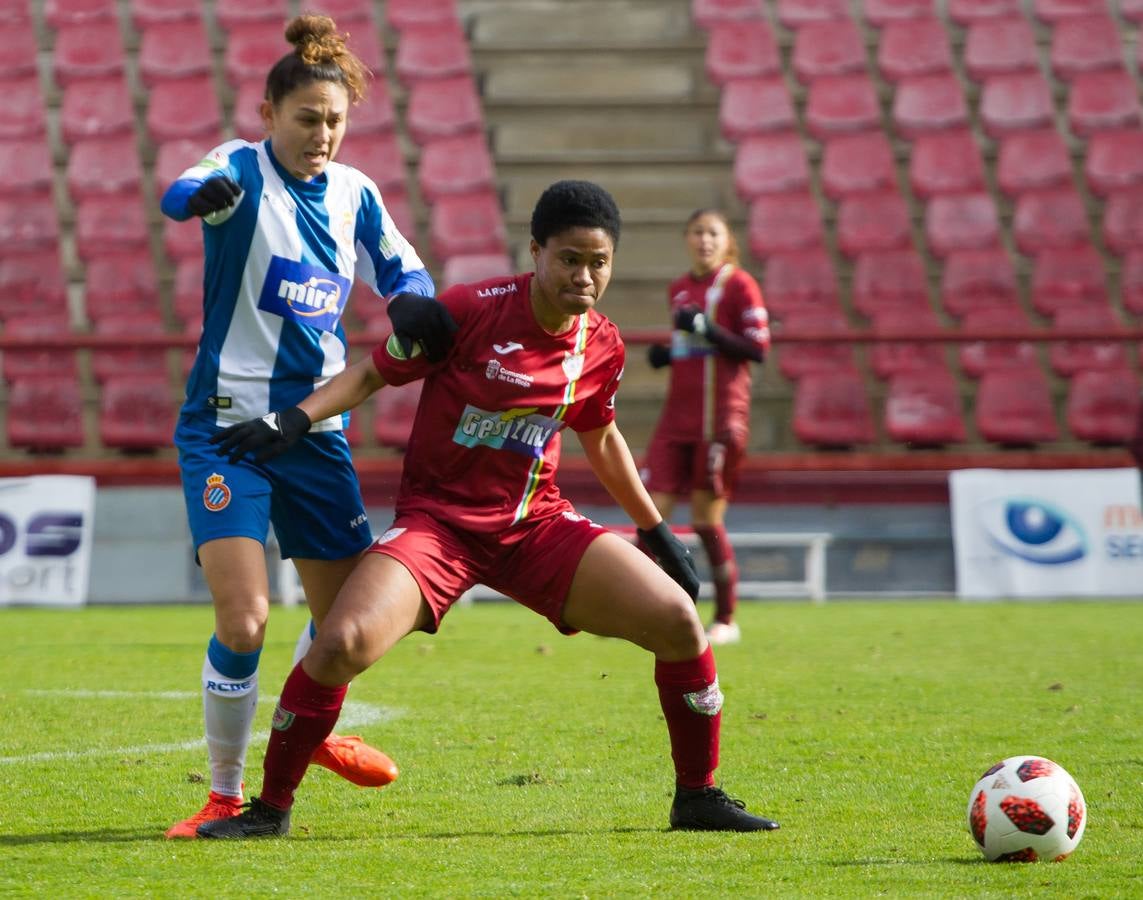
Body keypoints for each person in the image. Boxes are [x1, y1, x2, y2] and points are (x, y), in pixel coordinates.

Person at [194, 179, 780, 838]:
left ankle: (696, 796)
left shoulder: (602, 344)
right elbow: (369, 373)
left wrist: (652, 529)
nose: (584, 277)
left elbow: (602, 437)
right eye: (569, 259)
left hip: (534, 526)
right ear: (536, 251)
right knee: (340, 644)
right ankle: (269, 811)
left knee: (678, 622)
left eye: (599, 263)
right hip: (438, 527)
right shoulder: (469, 310)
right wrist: (294, 420)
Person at [158, 14, 450, 838]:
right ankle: (223, 792)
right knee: (245, 617)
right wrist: (199, 197)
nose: (322, 134)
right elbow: (177, 190)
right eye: (307, 119)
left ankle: (306, 723)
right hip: (226, 432)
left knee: (346, 631)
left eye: (334, 121)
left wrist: (413, 304)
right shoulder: (239, 169)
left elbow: (404, 269)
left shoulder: (357, 192)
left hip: (311, 433)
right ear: (268, 115)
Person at [642, 210, 770, 646]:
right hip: (675, 422)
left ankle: (727, 617)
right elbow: (695, 347)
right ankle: (638, 609)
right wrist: (669, 355)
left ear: (727, 240)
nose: (704, 240)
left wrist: (708, 328)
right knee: (649, 516)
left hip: (720, 422)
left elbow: (757, 349)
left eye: (713, 233)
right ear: (686, 238)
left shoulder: (739, 284)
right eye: (696, 232)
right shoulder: (678, 288)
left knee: (705, 521)